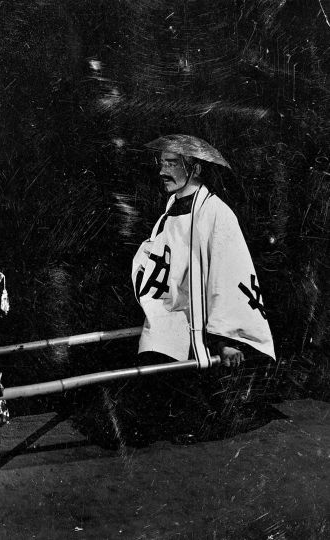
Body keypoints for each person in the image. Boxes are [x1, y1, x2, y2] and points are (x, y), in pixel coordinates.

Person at [76, 135, 279, 448]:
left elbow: (231, 272)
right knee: (157, 360)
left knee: (180, 379)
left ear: (194, 168)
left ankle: (187, 423)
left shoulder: (215, 213)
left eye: (170, 164)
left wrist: (226, 340)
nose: (162, 171)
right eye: (162, 163)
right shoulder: (172, 209)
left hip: (201, 316)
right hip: (173, 310)